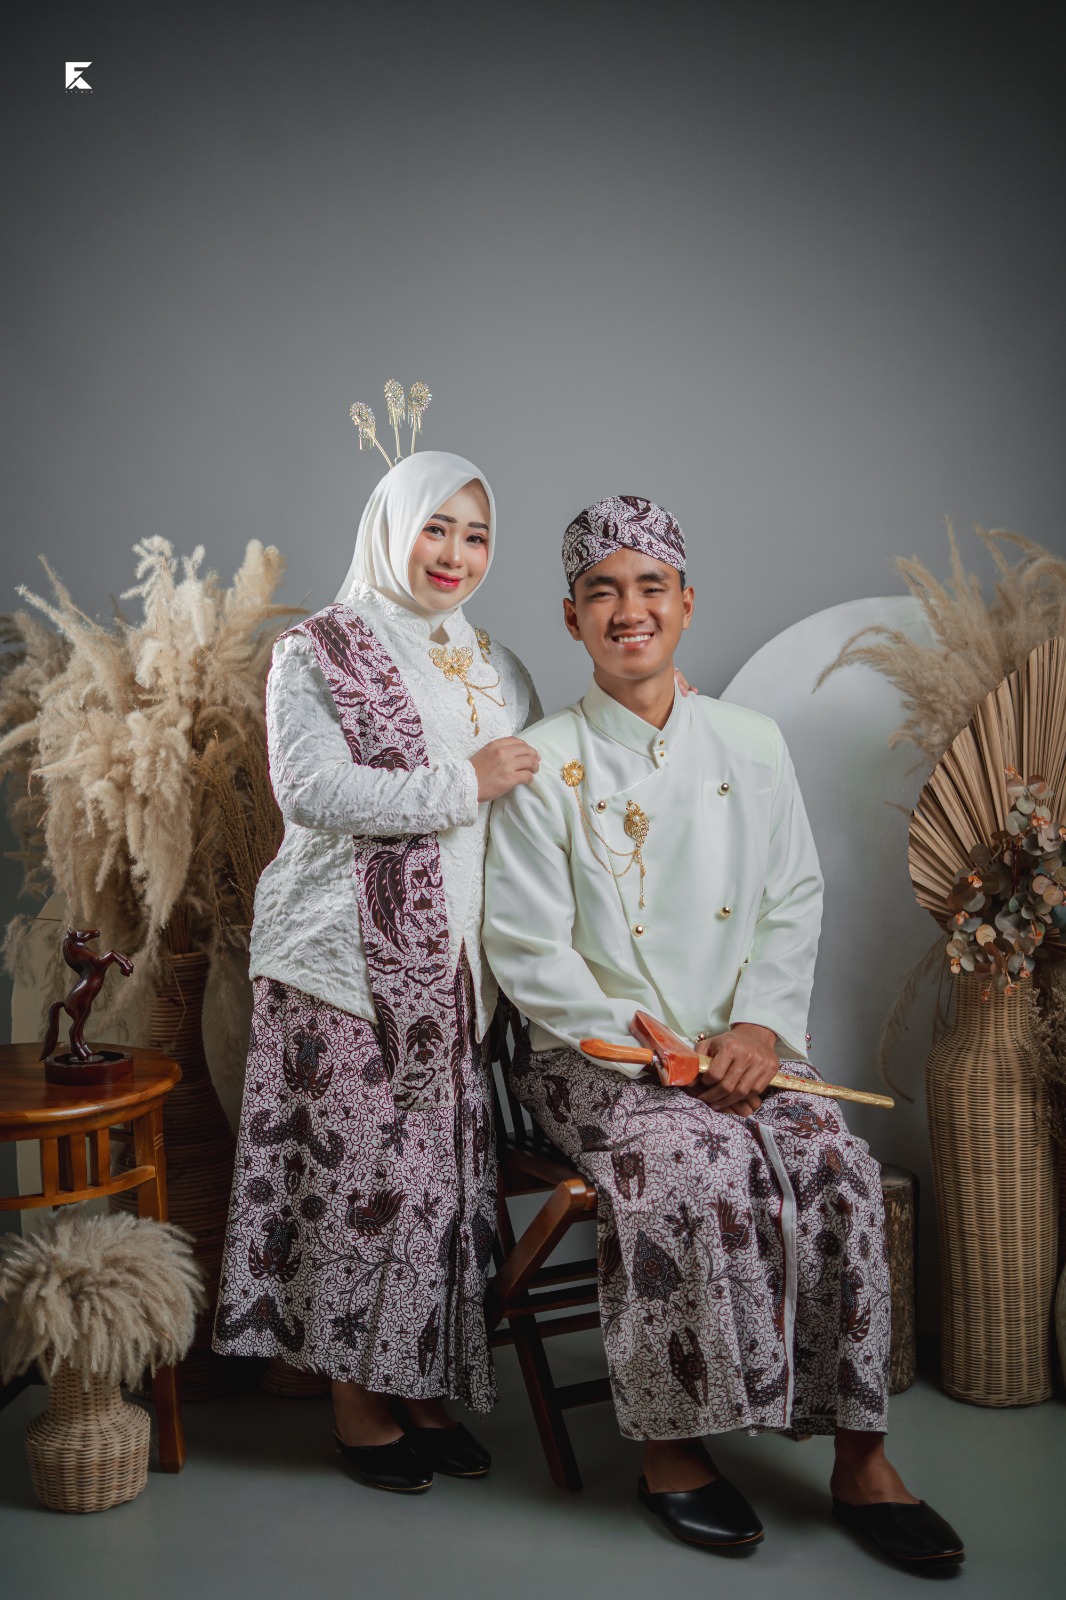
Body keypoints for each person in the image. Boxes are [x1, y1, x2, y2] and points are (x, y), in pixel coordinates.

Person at [481, 496, 964, 1568]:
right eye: (602, 591)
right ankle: (674, 1448)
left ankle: (861, 1456)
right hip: (592, 1056)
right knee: (685, 1163)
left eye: (650, 586)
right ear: (571, 617)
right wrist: (654, 1051)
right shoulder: (541, 762)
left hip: (743, 1048)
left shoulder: (751, 741)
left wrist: (755, 1028)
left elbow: (791, 898)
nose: (629, 609)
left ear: (686, 603)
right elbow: (525, 948)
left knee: (838, 1164)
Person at [214, 447, 542, 1494]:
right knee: (356, 1185)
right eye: (435, 526)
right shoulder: (318, 649)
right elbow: (311, 791)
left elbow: (537, 802)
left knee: (431, 1192)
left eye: (476, 534)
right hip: (341, 961)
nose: (455, 553)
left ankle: (418, 1386)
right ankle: (356, 1404)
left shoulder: (497, 665)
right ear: (391, 527)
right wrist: (465, 779)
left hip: (452, 966)